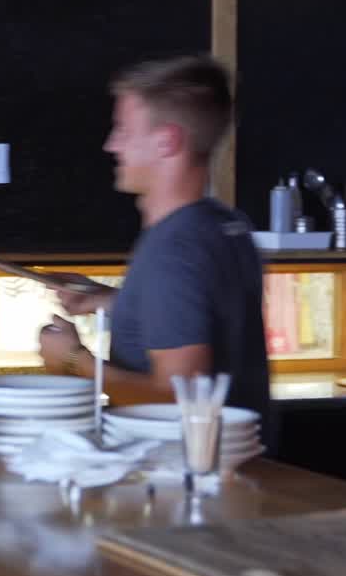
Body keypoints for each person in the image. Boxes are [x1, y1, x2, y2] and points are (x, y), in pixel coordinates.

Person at [37, 55, 271, 428]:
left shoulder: (175, 251)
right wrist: (112, 301)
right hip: (234, 465)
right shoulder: (224, 225)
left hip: (181, 473)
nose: (110, 145)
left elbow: (179, 400)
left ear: (167, 142)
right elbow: (198, 314)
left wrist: (73, 361)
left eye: (122, 130)